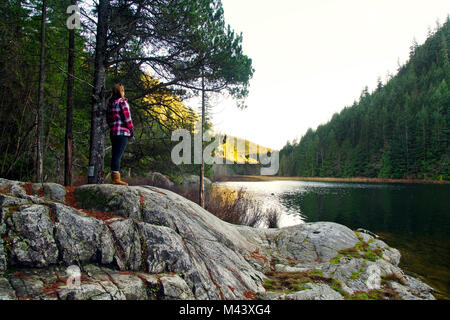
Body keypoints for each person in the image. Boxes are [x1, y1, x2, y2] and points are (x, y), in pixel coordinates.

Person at [106, 83, 134, 186]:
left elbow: (108, 119)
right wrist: (131, 130)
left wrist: (112, 127)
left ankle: (114, 177)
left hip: (113, 132)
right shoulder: (122, 103)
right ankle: (116, 179)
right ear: (121, 91)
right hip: (122, 132)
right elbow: (127, 118)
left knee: (115, 155)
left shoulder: (110, 103)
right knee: (118, 155)